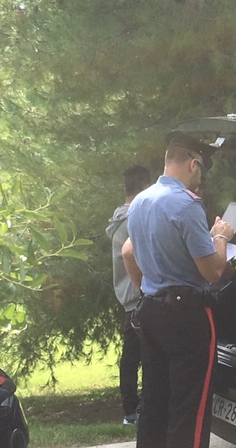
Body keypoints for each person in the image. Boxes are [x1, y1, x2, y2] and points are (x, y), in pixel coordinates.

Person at [121, 131, 236, 448]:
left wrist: (147, 290)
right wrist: (221, 237)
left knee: (153, 406)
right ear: (193, 164)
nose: (201, 177)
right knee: (188, 413)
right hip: (187, 319)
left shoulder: (140, 202)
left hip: (151, 313)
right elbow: (212, 271)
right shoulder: (187, 204)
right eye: (201, 169)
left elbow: (128, 252)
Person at [105, 164, 151, 425]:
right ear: (145, 187)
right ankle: (134, 411)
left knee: (131, 356)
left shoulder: (118, 218)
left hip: (128, 297)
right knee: (144, 356)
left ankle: (131, 410)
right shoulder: (134, 218)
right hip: (139, 296)